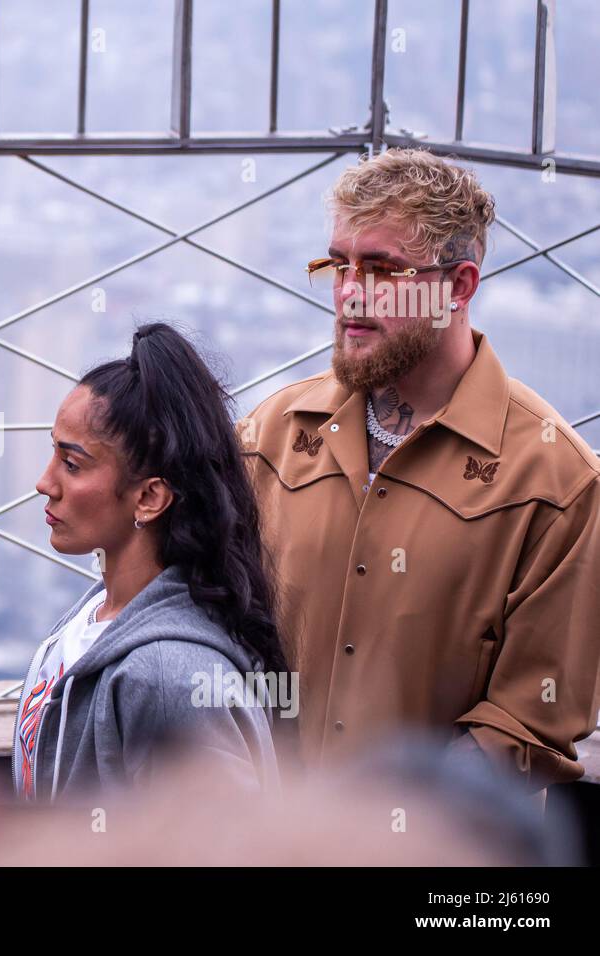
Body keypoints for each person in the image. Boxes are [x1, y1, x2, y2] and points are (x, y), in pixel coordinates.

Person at [241, 147, 600, 798]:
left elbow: (528, 725)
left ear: (459, 287)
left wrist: (382, 831)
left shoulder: (557, 482)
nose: (349, 292)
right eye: (339, 265)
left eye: (381, 270)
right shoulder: (272, 434)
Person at [15, 322, 288, 803]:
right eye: (52, 453)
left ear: (149, 498)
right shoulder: (94, 616)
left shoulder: (169, 676)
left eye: (72, 464)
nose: (45, 482)